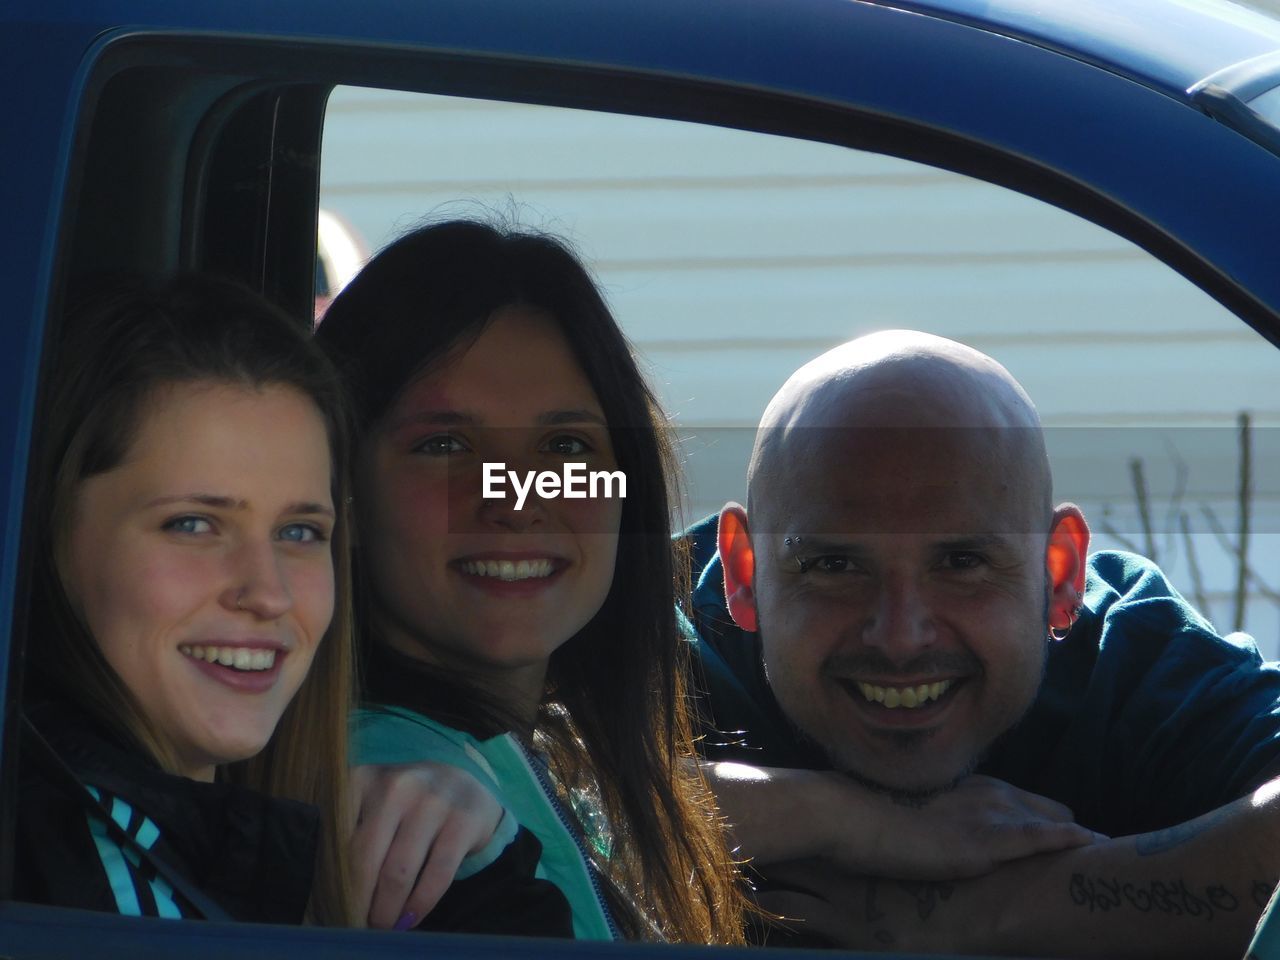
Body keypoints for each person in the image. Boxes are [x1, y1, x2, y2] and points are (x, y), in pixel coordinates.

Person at [686, 329, 1280, 957]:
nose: (899, 637)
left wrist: (994, 913)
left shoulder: (1133, 663)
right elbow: (570, 787)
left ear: (1061, 574)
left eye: (962, 562)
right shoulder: (642, 641)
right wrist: (840, 819)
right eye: (835, 567)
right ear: (742, 574)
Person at [316, 219, 747, 942]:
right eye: (445, 445)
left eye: (564, 445)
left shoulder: (534, 754)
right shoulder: (403, 820)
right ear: (339, 492)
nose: (516, 499)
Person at [15, 276, 357, 924]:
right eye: (193, 524)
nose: (268, 593)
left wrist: (485, 860)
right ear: (50, 533)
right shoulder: (84, 891)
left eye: (299, 532)